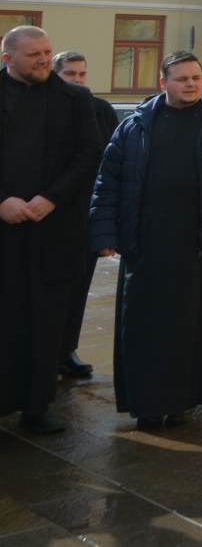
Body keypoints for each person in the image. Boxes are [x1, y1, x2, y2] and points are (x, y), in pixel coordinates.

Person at [88, 51, 202, 426]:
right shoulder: (134, 126)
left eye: (196, 77)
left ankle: (187, 399)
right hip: (146, 243)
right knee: (145, 328)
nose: (191, 84)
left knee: (196, 327)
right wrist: (104, 233)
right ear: (163, 82)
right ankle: (147, 404)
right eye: (182, 78)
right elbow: (108, 182)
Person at [0, 26, 102, 434]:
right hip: (3, 227)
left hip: (52, 227)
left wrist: (52, 198)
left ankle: (36, 405)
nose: (44, 60)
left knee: (45, 321)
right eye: (33, 55)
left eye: (47, 52)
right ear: (7, 59)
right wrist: (2, 201)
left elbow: (89, 152)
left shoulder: (75, 98)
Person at [53, 50, 120, 380]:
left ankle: (66, 351)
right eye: (70, 74)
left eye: (81, 73)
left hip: (86, 215)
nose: (78, 80)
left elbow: (113, 162)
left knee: (78, 289)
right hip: (48, 213)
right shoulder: (45, 107)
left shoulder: (101, 110)